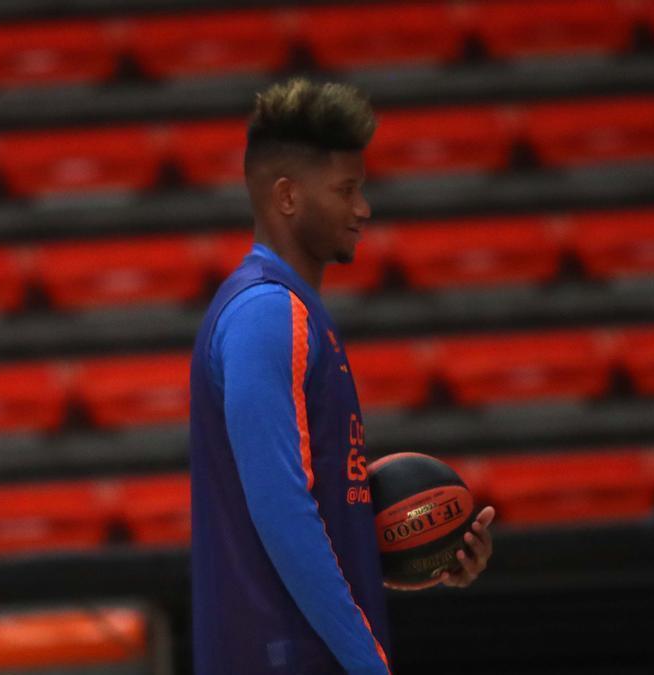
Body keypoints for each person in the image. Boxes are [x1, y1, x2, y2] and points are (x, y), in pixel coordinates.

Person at [189, 78, 495, 674]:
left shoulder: (287, 309)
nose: (363, 208)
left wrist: (420, 558)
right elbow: (282, 515)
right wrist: (368, 664)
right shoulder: (267, 314)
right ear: (287, 197)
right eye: (345, 189)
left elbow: (312, 510)